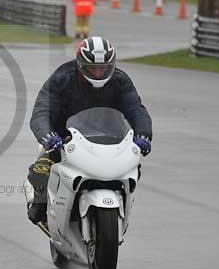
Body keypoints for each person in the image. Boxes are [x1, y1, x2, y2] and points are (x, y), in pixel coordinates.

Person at [26, 36, 152, 225]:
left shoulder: (120, 80)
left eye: (104, 68)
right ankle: (40, 206)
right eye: (93, 68)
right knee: (40, 171)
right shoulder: (62, 78)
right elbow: (41, 111)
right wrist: (48, 136)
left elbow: (135, 108)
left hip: (111, 141)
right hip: (64, 141)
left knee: (134, 169)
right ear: (81, 64)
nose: (99, 72)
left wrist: (144, 134)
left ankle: (122, 210)